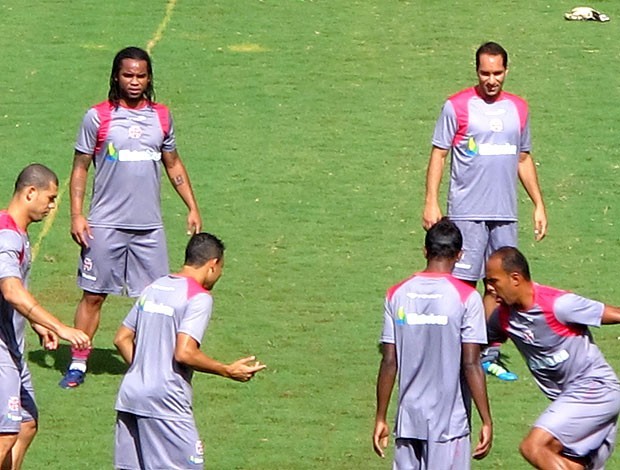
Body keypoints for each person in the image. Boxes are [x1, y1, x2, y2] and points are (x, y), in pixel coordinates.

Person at [60, 46, 202, 389]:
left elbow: (173, 163)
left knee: (156, 298)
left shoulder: (162, 117)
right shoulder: (97, 117)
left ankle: (153, 363)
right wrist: (77, 214)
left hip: (149, 227)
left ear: (149, 78)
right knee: (94, 295)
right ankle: (78, 362)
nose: (134, 81)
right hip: (105, 224)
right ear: (116, 77)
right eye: (128, 75)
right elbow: (80, 168)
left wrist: (192, 206)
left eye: (141, 75)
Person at [422, 41, 548, 381]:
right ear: (476, 71)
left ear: (506, 71)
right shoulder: (457, 106)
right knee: (462, 284)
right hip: (466, 212)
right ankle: (452, 349)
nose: (491, 80)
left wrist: (538, 203)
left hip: (505, 213)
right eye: (485, 73)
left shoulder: (518, 109)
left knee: (499, 285)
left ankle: (485, 351)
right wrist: (431, 200)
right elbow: (439, 153)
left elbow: (523, 158)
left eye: (497, 73)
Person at [113, 232, 266, 469]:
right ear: (213, 264)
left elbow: (122, 338)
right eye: (221, 268)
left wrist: (145, 369)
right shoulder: (198, 297)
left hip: (131, 395)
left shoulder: (155, 287)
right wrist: (226, 370)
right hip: (166, 401)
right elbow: (185, 352)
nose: (220, 275)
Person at [373, 218, 492, 469]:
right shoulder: (468, 298)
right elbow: (471, 363)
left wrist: (381, 417)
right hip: (449, 424)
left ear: (425, 251)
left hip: (408, 421)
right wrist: (486, 420)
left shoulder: (396, 293)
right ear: (459, 255)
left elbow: (389, 361)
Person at [486, 246, 620, 469]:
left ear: (515, 278)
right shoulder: (502, 318)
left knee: (533, 446)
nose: (490, 288)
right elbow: (474, 343)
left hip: (595, 389)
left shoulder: (559, 305)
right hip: (570, 400)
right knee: (565, 463)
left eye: (494, 281)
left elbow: (615, 314)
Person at [0, 164, 91, 469]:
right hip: (1, 351)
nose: (52, 206)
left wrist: (37, 324)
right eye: (50, 198)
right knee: (5, 434)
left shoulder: (17, 232)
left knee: (26, 423)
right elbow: (11, 290)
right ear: (30, 192)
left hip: (12, 348)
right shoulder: (7, 237)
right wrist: (60, 327)